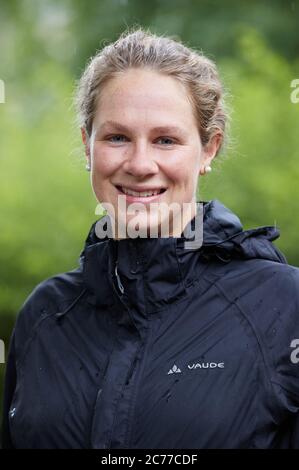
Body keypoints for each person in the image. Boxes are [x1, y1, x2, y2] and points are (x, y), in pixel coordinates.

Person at [2, 27, 299, 449]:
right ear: (88, 146)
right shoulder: (45, 318)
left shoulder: (283, 306)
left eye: (166, 140)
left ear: (208, 149)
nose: (140, 163)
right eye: (117, 137)